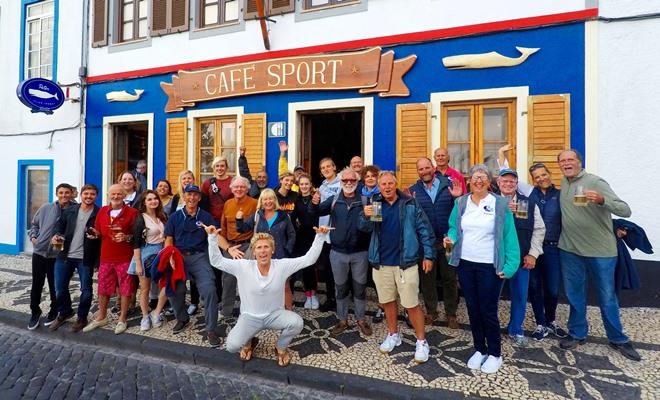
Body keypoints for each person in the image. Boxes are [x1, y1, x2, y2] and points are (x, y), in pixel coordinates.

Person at [556, 149, 640, 361]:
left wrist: (602, 200)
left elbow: (625, 210)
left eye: (570, 159)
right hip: (570, 249)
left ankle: (618, 338)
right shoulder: (564, 183)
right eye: (563, 161)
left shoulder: (596, 182)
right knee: (574, 294)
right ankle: (577, 333)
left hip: (600, 251)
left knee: (606, 296)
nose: (567, 163)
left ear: (579, 162)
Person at [207, 226, 331, 367]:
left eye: (266, 247)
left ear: (272, 250)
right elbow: (217, 261)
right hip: (249, 317)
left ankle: (280, 346)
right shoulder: (242, 266)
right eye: (259, 247)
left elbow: (308, 259)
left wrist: (320, 237)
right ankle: (250, 342)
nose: (263, 251)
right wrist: (212, 238)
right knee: (232, 346)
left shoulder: (281, 266)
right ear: (253, 252)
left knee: (297, 323)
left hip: (275, 315)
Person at [444, 164, 520, 374]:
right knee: (472, 308)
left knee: (488, 310)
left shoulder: (499, 204)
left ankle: (495, 353)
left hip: (490, 266)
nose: (478, 181)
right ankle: (480, 349)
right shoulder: (461, 202)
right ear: (470, 181)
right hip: (466, 264)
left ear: (489, 182)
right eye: (475, 177)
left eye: (483, 177)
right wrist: (451, 237)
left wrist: (511, 264)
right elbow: (453, 226)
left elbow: (509, 236)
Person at [359, 171, 435, 364]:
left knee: (411, 304)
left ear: (395, 184)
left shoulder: (409, 203)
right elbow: (365, 229)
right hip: (381, 263)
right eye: (383, 184)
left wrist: (428, 255)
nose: (386, 187)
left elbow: (424, 229)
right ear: (379, 185)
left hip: (405, 263)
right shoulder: (375, 203)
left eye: (390, 183)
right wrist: (364, 216)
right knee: (387, 302)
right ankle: (393, 334)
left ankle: (421, 341)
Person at [311, 168, 372, 336]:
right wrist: (314, 203)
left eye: (352, 180)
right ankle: (342, 319)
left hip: (360, 252)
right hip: (338, 252)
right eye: (345, 181)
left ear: (357, 182)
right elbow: (315, 212)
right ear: (341, 182)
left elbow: (375, 225)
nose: (348, 183)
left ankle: (360, 319)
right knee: (341, 288)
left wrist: (369, 217)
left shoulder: (367, 200)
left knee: (360, 288)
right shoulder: (334, 199)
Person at [163, 184, 221, 347]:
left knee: (209, 290)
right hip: (179, 257)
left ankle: (211, 329)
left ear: (199, 198)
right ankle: (182, 318)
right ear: (184, 196)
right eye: (189, 194)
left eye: (195, 195)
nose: (192, 198)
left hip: (199, 257)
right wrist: (170, 256)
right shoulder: (175, 217)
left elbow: (214, 234)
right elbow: (169, 238)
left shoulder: (206, 217)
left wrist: (229, 247)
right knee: (174, 290)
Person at [409, 158, 462, 328]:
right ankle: (431, 311)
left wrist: (457, 198)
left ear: (433, 168)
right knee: (427, 279)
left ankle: (451, 313)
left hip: (448, 241)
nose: (424, 171)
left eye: (427, 167)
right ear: (417, 172)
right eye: (420, 169)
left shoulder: (449, 186)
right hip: (426, 245)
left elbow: (461, 212)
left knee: (450, 278)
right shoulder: (413, 191)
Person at [497, 168, 546, 347]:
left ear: (516, 184)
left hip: (521, 259)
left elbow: (539, 229)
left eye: (512, 181)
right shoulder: (491, 202)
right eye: (505, 181)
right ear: (498, 183)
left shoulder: (529, 203)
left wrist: (533, 254)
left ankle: (516, 329)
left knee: (520, 296)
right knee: (492, 296)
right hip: (497, 259)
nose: (508, 184)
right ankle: (490, 329)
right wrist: (501, 211)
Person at [83, 184, 139, 335]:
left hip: (125, 257)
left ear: (125, 195)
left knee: (126, 289)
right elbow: (99, 232)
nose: (116, 196)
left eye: (119, 194)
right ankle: (102, 316)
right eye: (113, 194)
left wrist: (127, 237)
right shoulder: (102, 211)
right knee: (103, 288)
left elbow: (138, 235)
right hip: (106, 257)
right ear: (108, 195)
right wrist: (94, 234)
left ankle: (122, 319)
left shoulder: (132, 213)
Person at [48, 184, 100, 332]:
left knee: (86, 290)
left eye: (92, 194)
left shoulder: (100, 213)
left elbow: (102, 234)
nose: (89, 196)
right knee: (59, 289)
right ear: (81, 195)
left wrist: (97, 235)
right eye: (86, 194)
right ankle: (65, 312)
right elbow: (58, 227)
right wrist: (56, 236)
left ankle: (82, 317)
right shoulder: (69, 210)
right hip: (65, 256)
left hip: (86, 258)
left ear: (96, 196)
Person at [527, 163, 568, 340]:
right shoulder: (528, 195)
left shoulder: (560, 195)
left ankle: (551, 319)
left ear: (549, 174)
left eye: (544, 174)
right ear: (533, 180)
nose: (541, 178)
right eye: (537, 177)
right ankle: (540, 323)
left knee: (552, 288)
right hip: (532, 249)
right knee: (534, 286)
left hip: (553, 247)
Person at [236, 189, 296, 309]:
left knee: (285, 286)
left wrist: (287, 250)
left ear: (275, 200)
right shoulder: (257, 215)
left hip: (280, 256)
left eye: (271, 198)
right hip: (262, 257)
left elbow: (292, 234)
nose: (268, 201)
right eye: (265, 199)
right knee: (263, 286)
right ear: (261, 201)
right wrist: (239, 219)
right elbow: (243, 229)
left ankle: (289, 311)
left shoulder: (284, 216)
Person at [27, 183, 75, 330]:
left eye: (67, 192)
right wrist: (34, 236)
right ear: (56, 193)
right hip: (40, 252)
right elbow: (34, 224)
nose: (64, 195)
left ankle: (55, 310)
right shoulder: (46, 207)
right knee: (37, 284)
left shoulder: (75, 210)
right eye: (61, 192)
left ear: (72, 194)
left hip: (58, 255)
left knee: (55, 285)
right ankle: (35, 312)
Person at [215, 176, 257, 319]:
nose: (239, 189)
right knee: (228, 279)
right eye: (236, 187)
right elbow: (223, 227)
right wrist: (227, 247)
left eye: (242, 187)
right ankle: (226, 310)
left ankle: (251, 309)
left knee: (250, 279)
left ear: (247, 189)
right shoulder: (227, 203)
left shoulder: (255, 203)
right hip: (231, 246)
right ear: (231, 189)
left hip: (248, 245)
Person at [127, 190, 169, 331]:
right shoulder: (140, 218)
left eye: (155, 199)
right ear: (144, 202)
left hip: (162, 253)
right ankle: (145, 316)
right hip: (145, 254)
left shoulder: (162, 216)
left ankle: (156, 312)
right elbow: (136, 242)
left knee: (167, 283)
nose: (153, 201)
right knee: (145, 289)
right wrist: (138, 263)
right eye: (149, 199)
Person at [359, 165, 385, 323]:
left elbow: (376, 222)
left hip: (377, 239)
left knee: (380, 276)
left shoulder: (380, 195)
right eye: (367, 176)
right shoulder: (359, 194)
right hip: (361, 239)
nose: (369, 178)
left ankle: (381, 307)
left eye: (373, 176)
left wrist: (368, 216)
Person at [291, 173, 320, 309]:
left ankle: (314, 294)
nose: (304, 186)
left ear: (310, 185)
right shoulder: (296, 199)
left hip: (316, 234)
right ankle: (308, 295)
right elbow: (292, 218)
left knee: (314, 265)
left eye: (306, 184)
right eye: (301, 184)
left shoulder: (316, 198)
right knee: (305, 265)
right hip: (301, 235)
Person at [317, 157, 341, 311]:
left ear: (334, 167)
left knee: (339, 268)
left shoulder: (342, 183)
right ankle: (331, 297)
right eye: (323, 168)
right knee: (327, 268)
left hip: (336, 232)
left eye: (328, 166)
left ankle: (342, 298)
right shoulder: (322, 186)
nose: (326, 169)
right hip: (323, 233)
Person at [201, 155, 233, 223]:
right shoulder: (207, 183)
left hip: (229, 219)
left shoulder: (233, 182)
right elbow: (202, 204)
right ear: (214, 168)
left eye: (222, 166)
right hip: (212, 220)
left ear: (226, 167)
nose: (219, 168)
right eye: (217, 166)